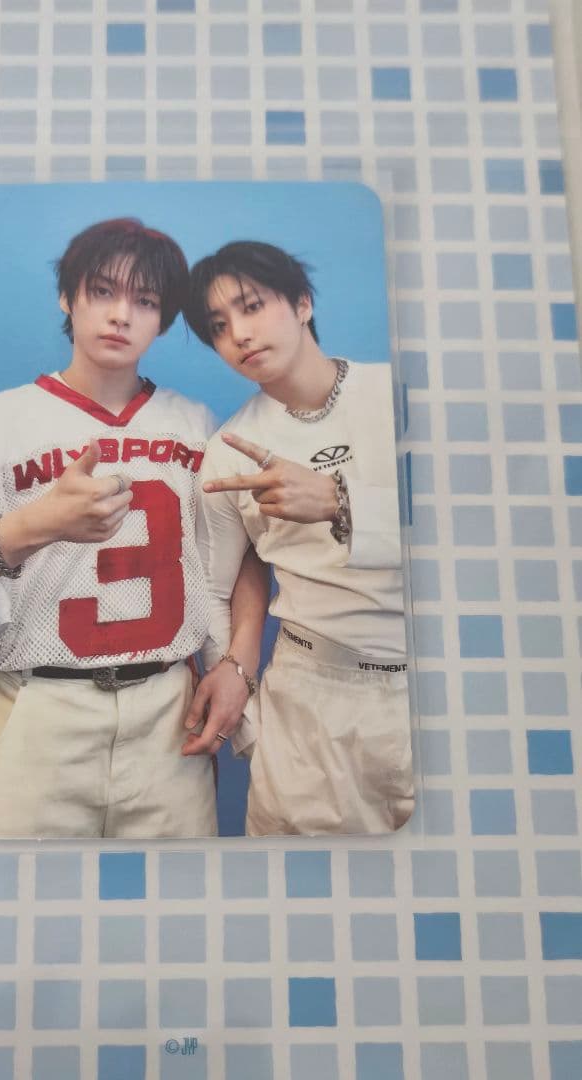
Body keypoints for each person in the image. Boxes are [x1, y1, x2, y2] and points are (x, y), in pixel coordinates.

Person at [0, 218, 265, 840]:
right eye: (102, 291)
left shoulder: (195, 423)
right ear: (67, 297)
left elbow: (243, 553)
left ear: (164, 318)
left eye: (145, 300)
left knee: (177, 899)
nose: (121, 315)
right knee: (7, 898)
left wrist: (239, 663)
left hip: (167, 716)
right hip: (38, 713)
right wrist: (36, 524)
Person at [185, 240, 414, 836]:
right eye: (218, 326)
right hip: (309, 701)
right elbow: (211, 588)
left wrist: (339, 501)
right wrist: (248, 724)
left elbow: (480, 535)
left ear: (303, 303)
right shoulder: (228, 451)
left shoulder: (403, 397)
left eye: (252, 306)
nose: (239, 333)